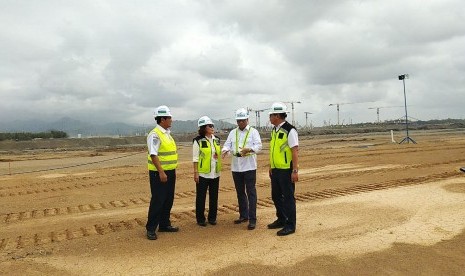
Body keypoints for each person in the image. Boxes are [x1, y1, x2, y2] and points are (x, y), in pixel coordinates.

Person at [222, 108, 262, 230]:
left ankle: (252, 219)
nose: (240, 123)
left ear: (247, 120)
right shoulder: (232, 133)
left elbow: (259, 146)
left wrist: (249, 149)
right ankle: (243, 215)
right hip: (236, 167)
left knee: (251, 192)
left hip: (249, 167)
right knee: (240, 193)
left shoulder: (253, 132)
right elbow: (227, 145)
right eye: (238, 121)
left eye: (243, 120)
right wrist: (224, 151)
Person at [145, 105, 179, 240]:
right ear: (162, 119)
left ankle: (164, 224)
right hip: (159, 174)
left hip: (170, 172)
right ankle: (151, 228)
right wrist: (161, 172)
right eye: (169, 118)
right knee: (158, 200)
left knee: (168, 199)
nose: (171, 120)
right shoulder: (155, 134)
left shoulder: (167, 134)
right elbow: (154, 155)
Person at [267, 102, 299, 236]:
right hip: (276, 169)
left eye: (271, 115)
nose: (269, 117)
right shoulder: (274, 130)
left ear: (278, 115)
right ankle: (281, 218)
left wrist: (295, 170)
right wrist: (270, 166)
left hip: (286, 170)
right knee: (275, 196)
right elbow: (274, 150)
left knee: (288, 198)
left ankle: (290, 225)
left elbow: (294, 151)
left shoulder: (290, 130)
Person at [192, 116, 222, 227]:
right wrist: (196, 173)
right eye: (210, 126)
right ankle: (200, 219)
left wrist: (218, 155)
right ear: (204, 128)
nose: (212, 127)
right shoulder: (198, 141)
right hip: (203, 174)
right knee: (201, 197)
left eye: (212, 125)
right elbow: (195, 158)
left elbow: (218, 153)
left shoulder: (217, 139)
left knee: (214, 197)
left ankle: (212, 218)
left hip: (215, 173)